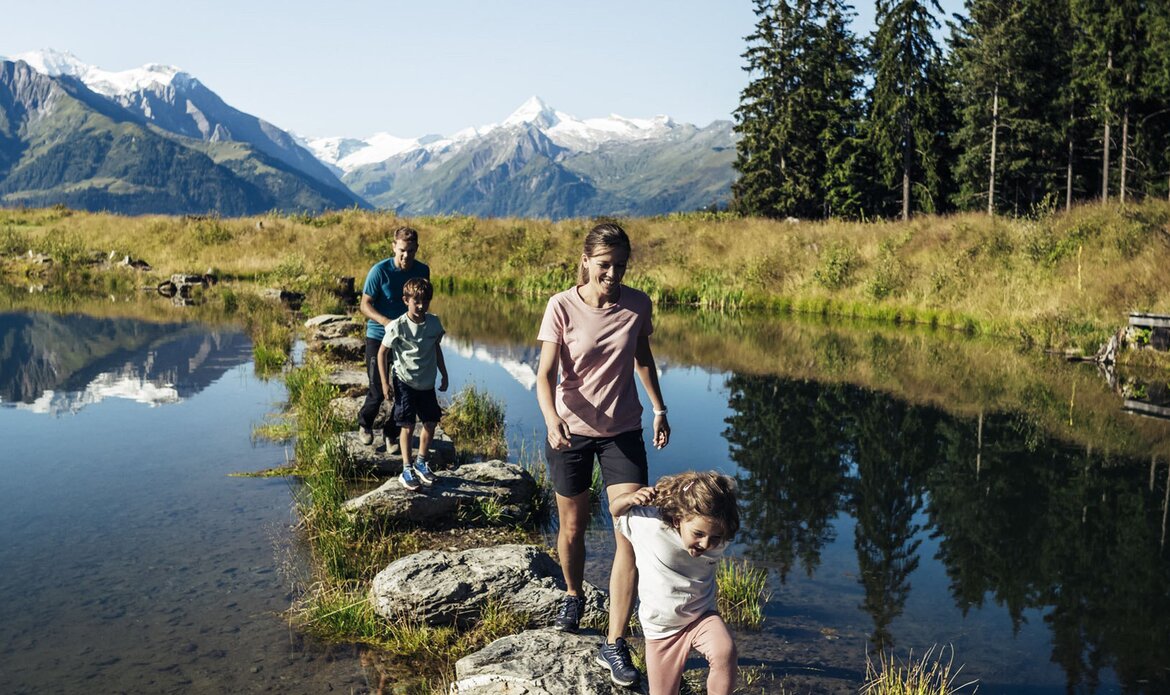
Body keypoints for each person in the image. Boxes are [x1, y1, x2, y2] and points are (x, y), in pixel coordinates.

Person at [535, 222, 670, 687]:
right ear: (586, 261)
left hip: (622, 432)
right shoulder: (561, 305)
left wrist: (659, 408)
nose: (613, 275)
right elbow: (545, 374)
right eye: (605, 265)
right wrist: (551, 419)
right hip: (570, 432)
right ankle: (573, 594)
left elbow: (643, 357)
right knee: (572, 527)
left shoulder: (638, 304)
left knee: (629, 531)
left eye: (621, 266)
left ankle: (614, 642)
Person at [609, 471, 740, 695]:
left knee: (724, 652)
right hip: (662, 630)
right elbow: (615, 510)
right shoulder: (650, 527)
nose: (705, 544)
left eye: (714, 537)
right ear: (678, 520)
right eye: (698, 534)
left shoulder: (720, 539)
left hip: (701, 616)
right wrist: (629, 499)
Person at [359, 226, 430, 450]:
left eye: (410, 251)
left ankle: (391, 434)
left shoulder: (422, 270)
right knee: (378, 389)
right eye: (402, 250)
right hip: (378, 336)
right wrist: (385, 322)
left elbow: (422, 303)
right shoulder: (379, 271)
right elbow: (364, 305)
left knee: (404, 391)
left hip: (406, 340)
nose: (406, 255)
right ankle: (365, 424)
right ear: (393, 247)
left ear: (416, 249)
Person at [377, 277, 448, 491]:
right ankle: (406, 469)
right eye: (416, 301)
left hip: (426, 382)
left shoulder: (434, 323)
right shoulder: (397, 326)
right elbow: (382, 353)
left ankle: (421, 463)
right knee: (407, 425)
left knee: (431, 422)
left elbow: (436, 348)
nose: (421, 306)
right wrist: (385, 383)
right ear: (406, 300)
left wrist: (444, 374)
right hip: (404, 381)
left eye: (425, 301)